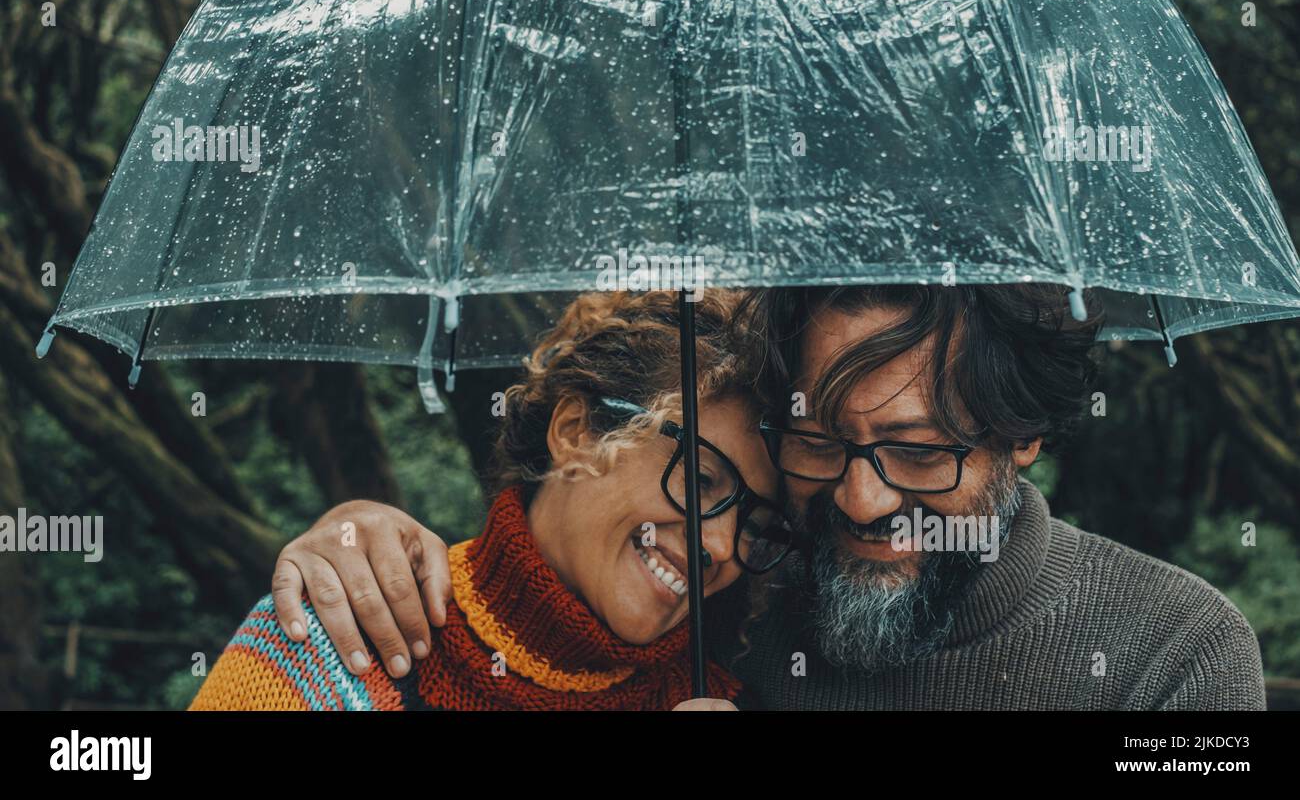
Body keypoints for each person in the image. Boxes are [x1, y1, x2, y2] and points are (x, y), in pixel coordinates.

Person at [273, 283, 1267, 710]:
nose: (864, 498)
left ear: (1021, 439)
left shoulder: (1173, 652)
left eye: (919, 452)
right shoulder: (725, 612)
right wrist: (352, 539)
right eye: (821, 439)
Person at [190, 289, 787, 710]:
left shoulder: (729, 697)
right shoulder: (341, 638)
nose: (720, 545)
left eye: (755, 526)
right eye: (701, 479)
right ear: (575, 432)